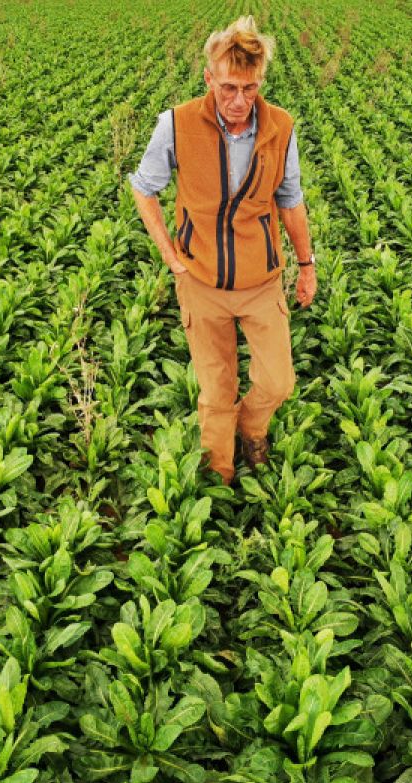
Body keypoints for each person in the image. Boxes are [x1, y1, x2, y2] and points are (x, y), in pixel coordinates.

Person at [130, 15, 316, 485]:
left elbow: (290, 200)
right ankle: (221, 476)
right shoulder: (175, 124)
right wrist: (172, 257)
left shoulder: (281, 127)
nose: (239, 101)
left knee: (278, 382)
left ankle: (251, 427)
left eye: (250, 89)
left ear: (261, 82)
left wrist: (307, 265)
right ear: (209, 78)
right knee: (216, 391)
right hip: (202, 282)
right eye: (229, 87)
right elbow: (143, 188)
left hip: (261, 280)